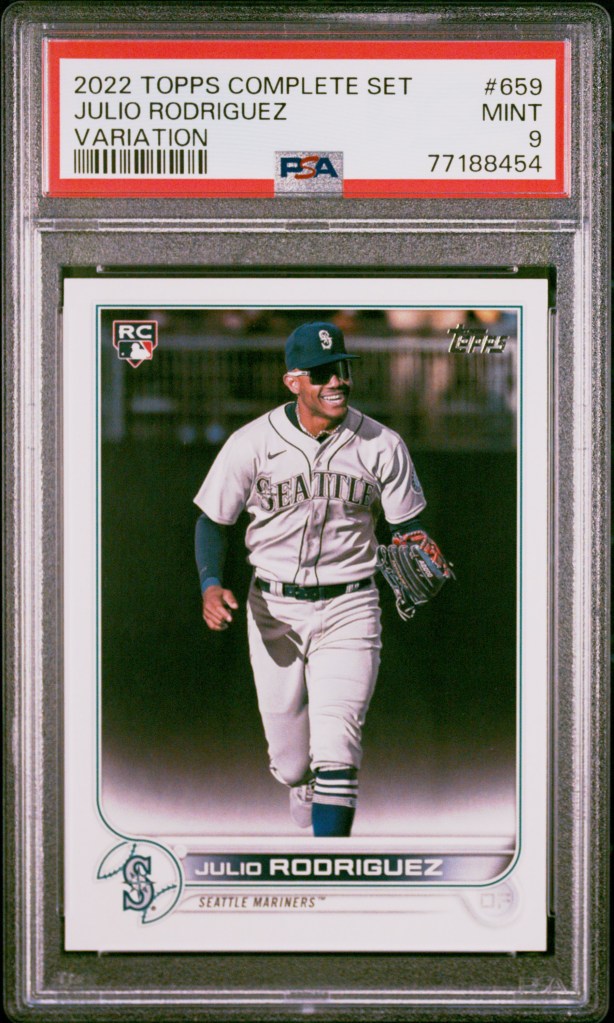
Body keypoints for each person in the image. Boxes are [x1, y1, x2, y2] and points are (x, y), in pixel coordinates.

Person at [194, 321, 432, 837]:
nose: (337, 382)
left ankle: (329, 864)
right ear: (293, 381)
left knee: (338, 748)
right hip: (273, 609)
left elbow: (406, 524)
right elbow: (213, 521)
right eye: (322, 373)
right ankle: (303, 786)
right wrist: (211, 583)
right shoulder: (252, 442)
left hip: (351, 606)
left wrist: (414, 542)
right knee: (291, 763)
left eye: (341, 369)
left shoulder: (382, 444)